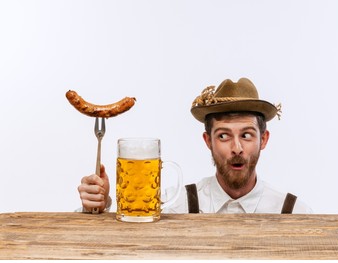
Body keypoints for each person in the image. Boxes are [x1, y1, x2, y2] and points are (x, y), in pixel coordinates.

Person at [77, 77, 311, 214]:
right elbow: (127, 228)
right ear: (207, 140)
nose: (237, 148)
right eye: (223, 136)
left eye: (247, 135)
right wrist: (97, 205)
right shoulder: (176, 205)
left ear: (264, 139)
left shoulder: (293, 211)